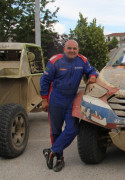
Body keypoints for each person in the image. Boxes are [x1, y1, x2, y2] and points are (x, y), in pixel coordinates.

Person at [40, 39, 98, 172]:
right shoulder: (55, 61)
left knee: (73, 129)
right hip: (56, 99)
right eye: (69, 48)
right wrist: (44, 99)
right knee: (55, 131)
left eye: (75, 49)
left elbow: (92, 70)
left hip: (72, 99)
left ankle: (51, 151)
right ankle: (59, 158)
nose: (72, 51)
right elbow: (44, 81)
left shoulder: (82, 60)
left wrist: (93, 76)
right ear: (64, 49)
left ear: (78, 50)